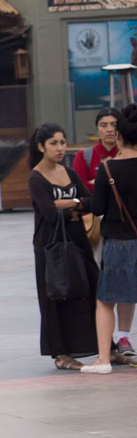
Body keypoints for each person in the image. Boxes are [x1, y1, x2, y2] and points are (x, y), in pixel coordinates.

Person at [27, 123, 102, 371]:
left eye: (62, 142)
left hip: (79, 241)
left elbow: (92, 203)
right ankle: (61, 353)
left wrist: (69, 203)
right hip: (50, 246)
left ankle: (106, 346)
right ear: (41, 146)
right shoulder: (36, 177)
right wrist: (76, 206)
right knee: (55, 297)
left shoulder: (69, 172)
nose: (60, 148)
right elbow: (48, 213)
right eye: (53, 143)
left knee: (93, 289)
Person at [71, 108, 135, 354]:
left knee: (112, 293)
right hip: (95, 231)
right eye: (104, 124)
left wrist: (97, 185)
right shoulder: (87, 156)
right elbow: (78, 184)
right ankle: (112, 339)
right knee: (112, 285)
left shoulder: (111, 166)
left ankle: (118, 342)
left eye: (114, 125)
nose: (110, 129)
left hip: (116, 234)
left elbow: (92, 197)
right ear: (97, 129)